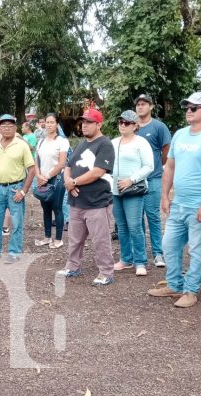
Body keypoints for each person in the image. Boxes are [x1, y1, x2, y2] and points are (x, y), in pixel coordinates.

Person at [146, 92, 201, 308]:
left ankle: (191, 290)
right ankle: (174, 285)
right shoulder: (180, 135)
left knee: (198, 249)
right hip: (180, 203)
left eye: (194, 108)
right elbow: (170, 166)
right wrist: (165, 195)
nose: (188, 111)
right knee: (169, 244)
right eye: (187, 108)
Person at [57, 107, 116, 286]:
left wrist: (73, 183)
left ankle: (106, 272)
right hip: (76, 201)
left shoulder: (105, 144)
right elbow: (68, 165)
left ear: (99, 124)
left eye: (89, 122)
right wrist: (68, 181)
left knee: (101, 240)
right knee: (74, 239)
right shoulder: (81, 144)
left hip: (96, 201)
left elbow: (97, 172)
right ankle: (73, 266)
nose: (84, 125)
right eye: (83, 122)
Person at [0, 114, 36, 263]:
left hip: (15, 188)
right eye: (3, 125)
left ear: (15, 128)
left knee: (17, 222)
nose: (7, 128)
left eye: (10, 125)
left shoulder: (22, 145)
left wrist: (23, 191)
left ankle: (14, 252)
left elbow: (31, 170)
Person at [111, 110, 154, 276]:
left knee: (135, 226)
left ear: (135, 126)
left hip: (133, 190)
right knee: (121, 227)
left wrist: (132, 179)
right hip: (116, 190)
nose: (122, 125)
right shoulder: (114, 142)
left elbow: (149, 166)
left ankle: (140, 261)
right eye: (121, 122)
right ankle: (126, 258)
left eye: (127, 123)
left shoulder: (141, 143)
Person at [134, 94, 171, 267]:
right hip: (134, 180)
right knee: (136, 217)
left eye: (144, 104)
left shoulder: (159, 127)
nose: (140, 107)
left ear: (151, 107)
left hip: (153, 178)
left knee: (153, 216)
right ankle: (139, 253)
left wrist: (157, 166)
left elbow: (166, 152)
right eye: (138, 104)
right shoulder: (131, 126)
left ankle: (158, 253)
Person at [34, 113, 69, 249]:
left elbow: (61, 163)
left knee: (57, 208)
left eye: (52, 122)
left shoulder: (62, 141)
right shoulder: (41, 141)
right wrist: (38, 174)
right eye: (47, 122)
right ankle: (47, 237)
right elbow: (36, 160)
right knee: (45, 208)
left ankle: (58, 239)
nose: (49, 125)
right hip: (42, 178)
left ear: (57, 124)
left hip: (56, 179)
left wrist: (47, 177)